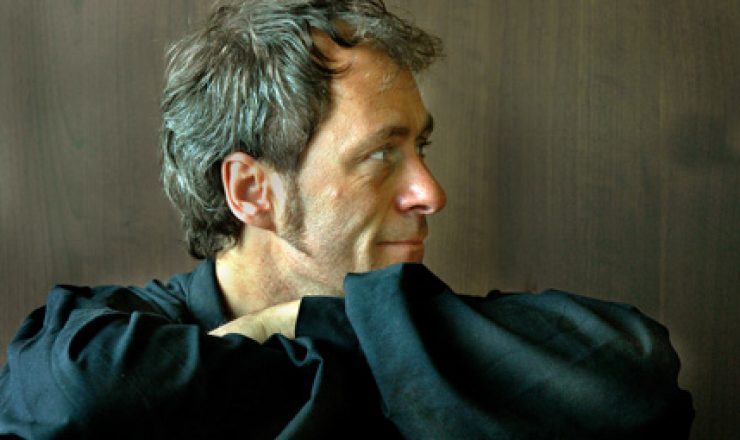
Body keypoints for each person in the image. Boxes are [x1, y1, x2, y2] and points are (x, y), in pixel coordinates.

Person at [0, 0, 693, 438]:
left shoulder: (427, 336)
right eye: (380, 155)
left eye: (419, 149)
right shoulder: (102, 348)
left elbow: (639, 375)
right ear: (253, 191)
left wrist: (297, 323)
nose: (430, 192)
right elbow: (72, 395)